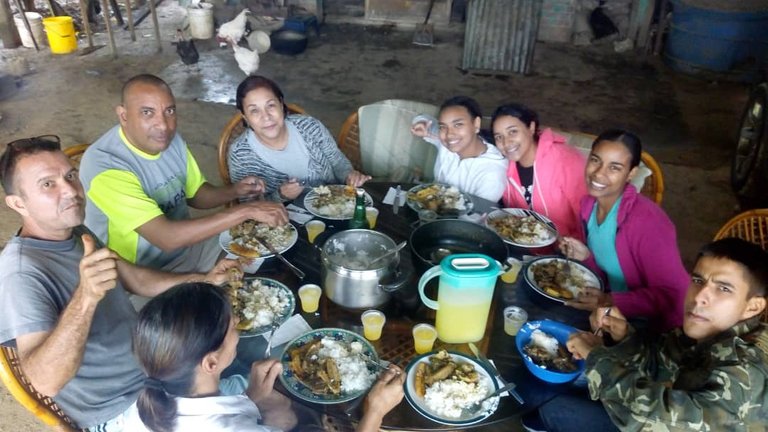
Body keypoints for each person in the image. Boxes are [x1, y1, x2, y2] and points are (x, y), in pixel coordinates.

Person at [0, 135, 240, 431]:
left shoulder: (74, 231)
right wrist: (86, 297)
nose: (70, 191)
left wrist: (203, 279)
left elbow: (135, 278)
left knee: (264, 377)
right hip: (118, 410)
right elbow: (45, 381)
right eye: (48, 184)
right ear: (18, 203)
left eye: (70, 176)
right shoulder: (21, 273)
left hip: (157, 373)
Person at [525, 238, 768, 431]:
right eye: (698, 280)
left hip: (651, 423)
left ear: (752, 307)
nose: (700, 296)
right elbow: (659, 366)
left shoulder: (744, 374)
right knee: (560, 390)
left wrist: (597, 356)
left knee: (556, 408)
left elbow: (655, 420)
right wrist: (623, 338)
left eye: (723, 288)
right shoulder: (701, 335)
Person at [79, 74, 288, 274]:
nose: (163, 125)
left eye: (169, 111)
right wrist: (246, 210)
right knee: (227, 297)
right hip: (141, 274)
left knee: (266, 254)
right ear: (124, 116)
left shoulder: (170, 140)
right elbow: (166, 238)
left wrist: (235, 190)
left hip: (189, 248)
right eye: (147, 113)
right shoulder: (105, 167)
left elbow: (196, 194)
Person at [126, 282, 405, 432]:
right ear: (211, 363)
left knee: (282, 410)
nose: (237, 326)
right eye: (233, 326)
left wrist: (251, 399)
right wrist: (375, 411)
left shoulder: (148, 403)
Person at [559, 130, 688, 332]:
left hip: (653, 328)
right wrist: (586, 256)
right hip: (609, 313)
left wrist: (608, 300)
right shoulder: (588, 206)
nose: (599, 173)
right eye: (595, 160)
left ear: (631, 173)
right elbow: (610, 271)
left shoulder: (648, 222)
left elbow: (672, 295)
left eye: (614, 168)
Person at [228, 75, 371, 201]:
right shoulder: (240, 154)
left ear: (281, 104)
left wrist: (350, 175)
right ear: (244, 116)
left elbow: (338, 162)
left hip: (336, 207)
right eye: (254, 110)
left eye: (270, 105)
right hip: (283, 227)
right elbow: (249, 209)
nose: (266, 117)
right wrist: (281, 196)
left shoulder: (309, 126)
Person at [491, 103, 587, 240]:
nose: (506, 142)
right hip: (528, 248)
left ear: (531, 127)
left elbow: (588, 217)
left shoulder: (566, 161)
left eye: (513, 132)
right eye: (499, 137)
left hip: (569, 251)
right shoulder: (507, 168)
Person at [410, 96, 507, 202]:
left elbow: (478, 216)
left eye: (458, 125)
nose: (449, 134)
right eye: (443, 126)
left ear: (476, 124)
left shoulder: (492, 174)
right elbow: (422, 118)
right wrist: (422, 122)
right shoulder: (447, 143)